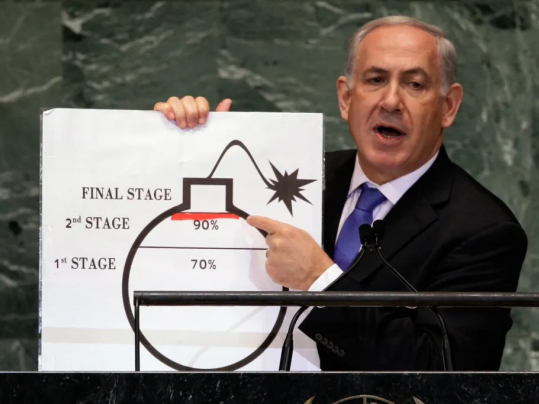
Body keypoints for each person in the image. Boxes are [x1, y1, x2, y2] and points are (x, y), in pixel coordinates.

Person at [153, 16, 527, 371]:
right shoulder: (299, 178)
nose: (391, 101)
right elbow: (190, 252)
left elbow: (448, 373)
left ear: (448, 106)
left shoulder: (483, 231)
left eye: (414, 84)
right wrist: (188, 145)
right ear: (346, 98)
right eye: (376, 79)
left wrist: (321, 283)